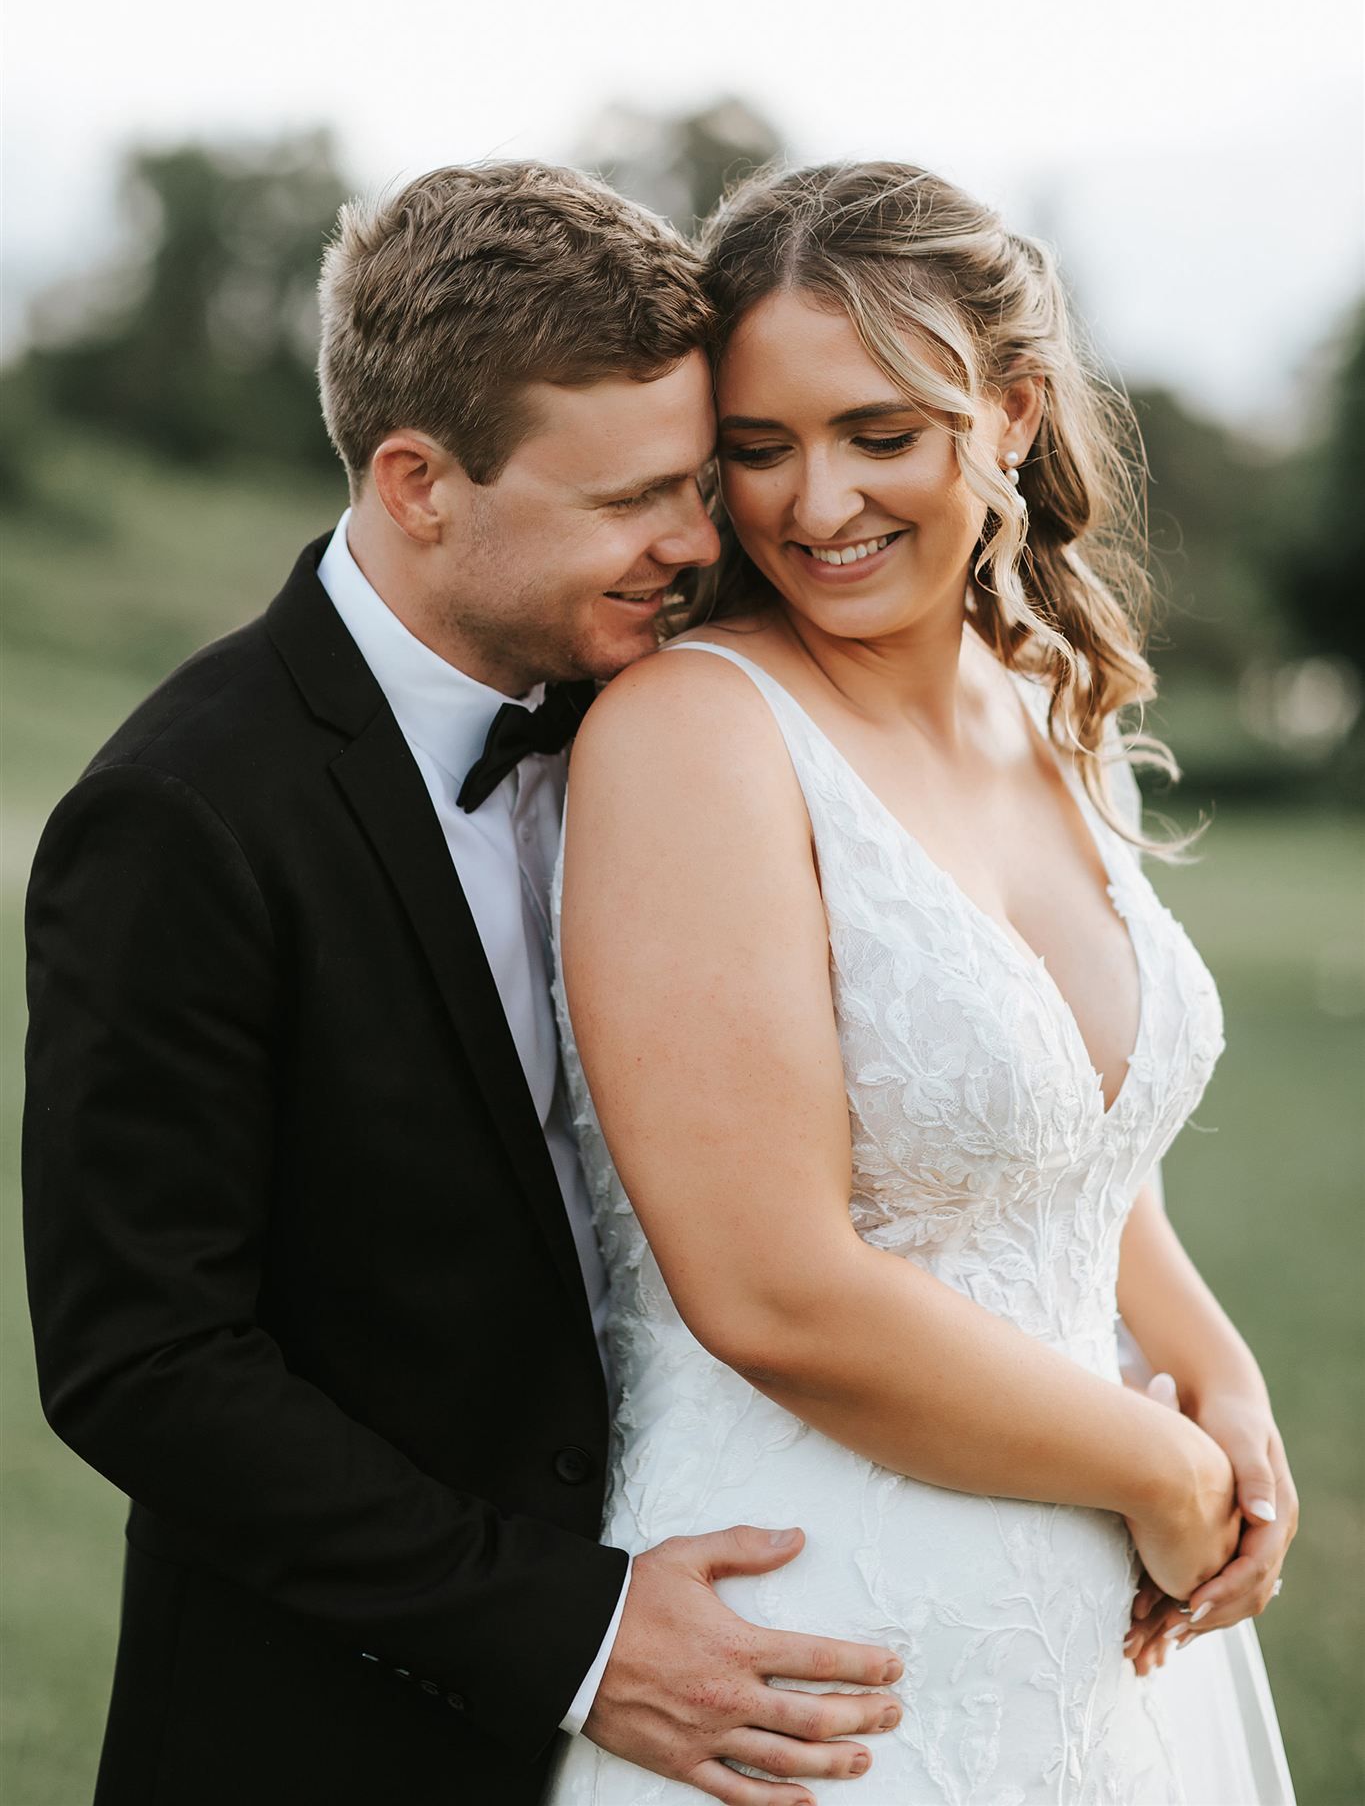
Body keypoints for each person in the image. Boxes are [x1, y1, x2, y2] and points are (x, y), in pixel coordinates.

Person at [21, 162, 908, 1806]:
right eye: (631, 500)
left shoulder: (693, 703)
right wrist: (570, 1635)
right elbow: (141, 1362)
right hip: (335, 1733)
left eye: (699, 483)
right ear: (420, 483)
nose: (696, 543)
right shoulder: (180, 818)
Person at [549, 162, 1297, 1804]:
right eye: (758, 450)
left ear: (1013, 415)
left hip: (1107, 1647)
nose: (814, 507)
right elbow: (771, 1292)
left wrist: (1222, 1382)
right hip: (822, 1656)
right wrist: (1162, 1466)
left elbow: (1085, 1160)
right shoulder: (692, 737)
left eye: (878, 434)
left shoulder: (1038, 701)